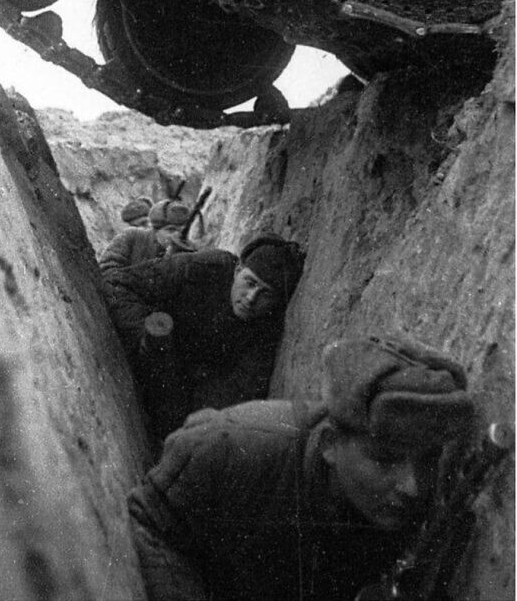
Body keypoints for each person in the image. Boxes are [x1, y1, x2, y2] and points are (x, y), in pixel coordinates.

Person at [128, 335, 476, 601]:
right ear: (330, 446)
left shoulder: (417, 508)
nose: (413, 487)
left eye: (428, 459)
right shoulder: (230, 448)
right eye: (386, 459)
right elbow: (150, 523)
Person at [103, 234, 305, 437]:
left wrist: (177, 399)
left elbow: (237, 391)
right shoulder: (207, 267)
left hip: (183, 385)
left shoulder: (266, 330)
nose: (252, 298)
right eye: (250, 283)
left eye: (266, 294)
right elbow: (119, 284)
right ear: (237, 270)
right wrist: (144, 341)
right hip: (147, 337)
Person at [99, 199, 192, 273]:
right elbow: (106, 271)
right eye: (171, 230)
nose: (177, 235)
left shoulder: (189, 249)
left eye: (182, 231)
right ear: (155, 230)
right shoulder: (131, 237)